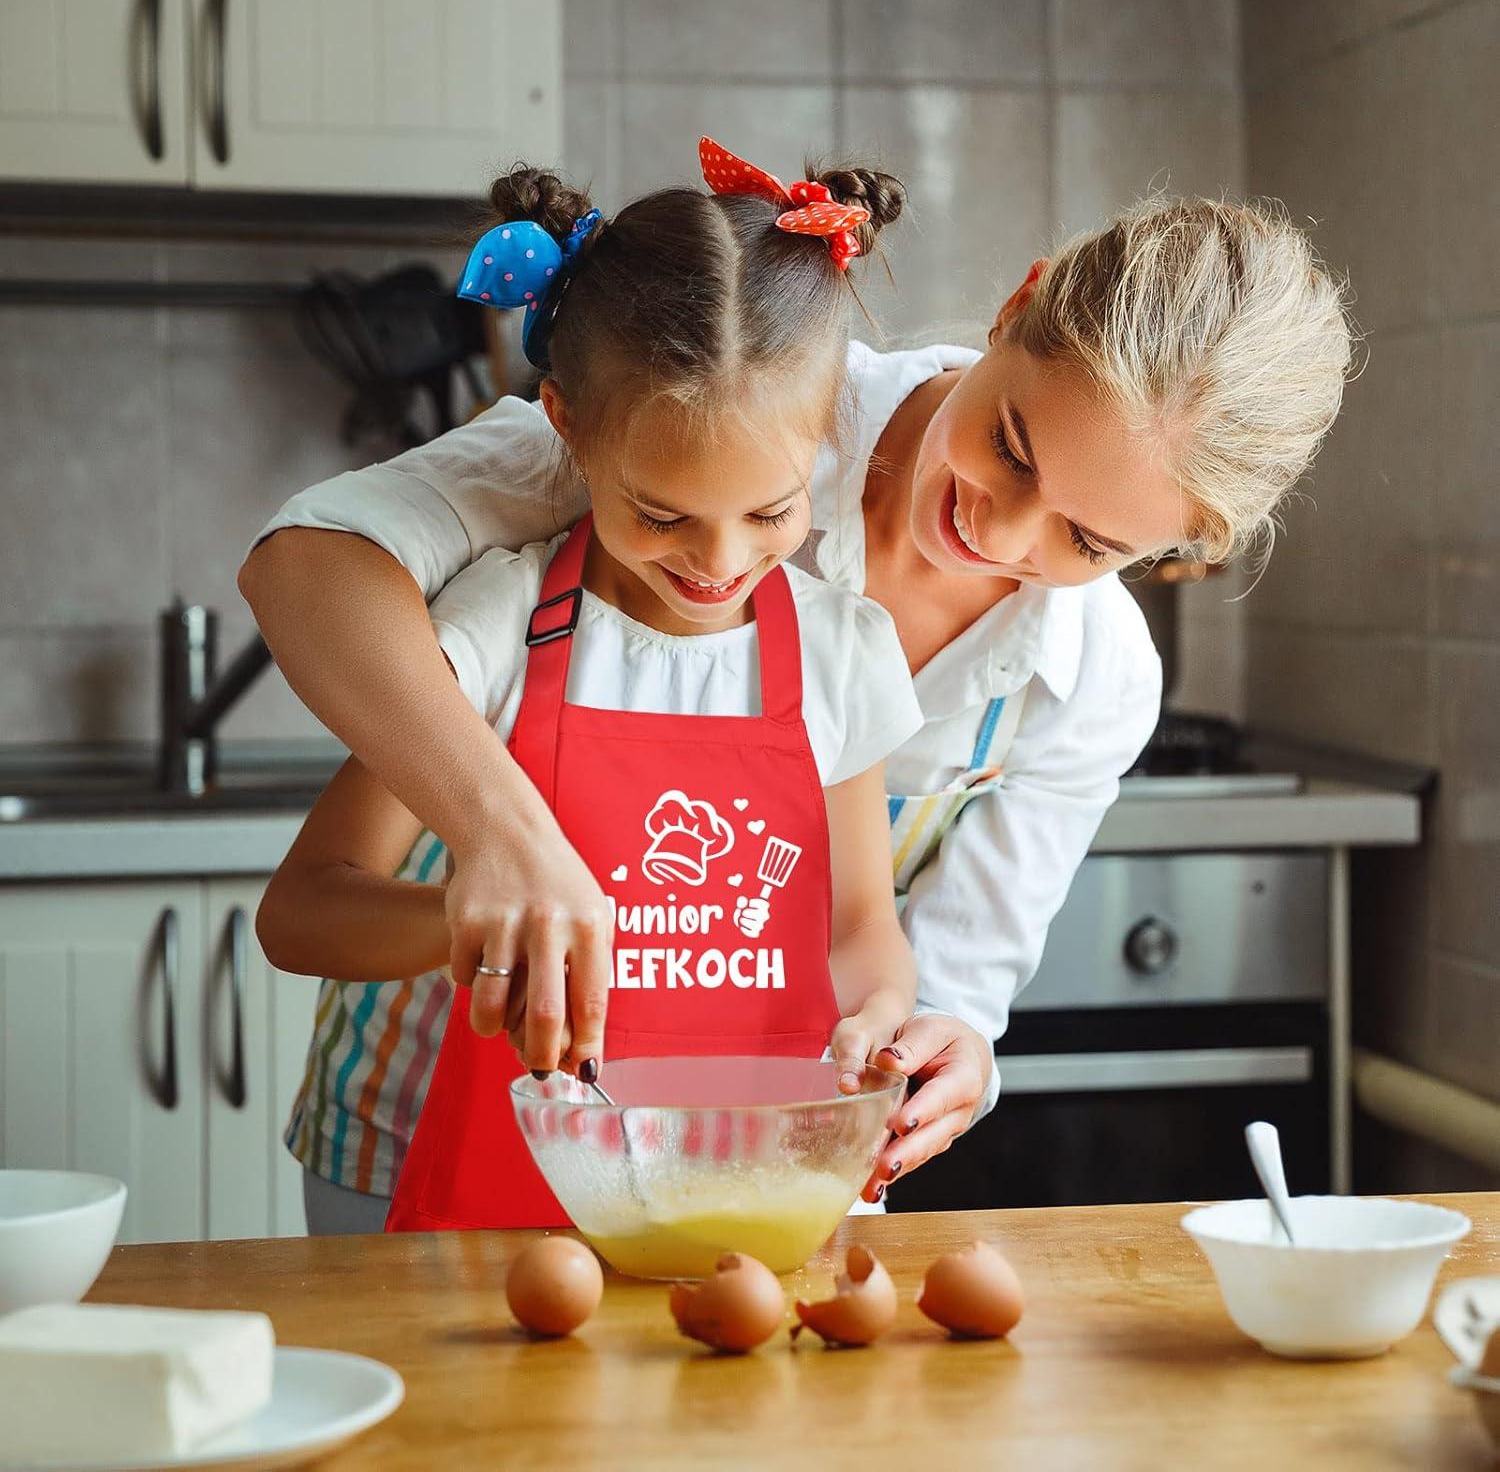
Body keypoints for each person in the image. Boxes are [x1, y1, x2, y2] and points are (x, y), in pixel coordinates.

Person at [243, 164, 1354, 1217]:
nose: (1001, 531)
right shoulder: (726, 402)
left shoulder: (1084, 681)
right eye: (1013, 448)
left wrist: (939, 1049)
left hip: (737, 1180)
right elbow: (312, 565)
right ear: (1017, 306)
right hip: (425, 1135)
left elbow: (925, 979)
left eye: (1090, 540)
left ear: (1181, 548)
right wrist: (505, 842)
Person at [256, 142, 925, 1232]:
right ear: (565, 424)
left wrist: (881, 1011)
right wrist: (469, 917)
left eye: (771, 511)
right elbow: (301, 915)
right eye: (662, 513)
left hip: (761, 1201)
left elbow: (860, 925)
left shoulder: (843, 652)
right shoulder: (499, 628)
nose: (719, 561)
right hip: (518, 1223)